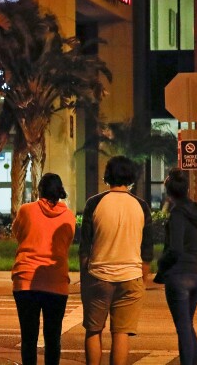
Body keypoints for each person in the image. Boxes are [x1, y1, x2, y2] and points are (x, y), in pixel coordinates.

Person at [79, 155, 153, 365]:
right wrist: (143, 278)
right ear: (131, 177)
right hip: (131, 276)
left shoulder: (94, 203)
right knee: (121, 333)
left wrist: (85, 278)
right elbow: (147, 250)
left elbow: (85, 248)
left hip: (98, 276)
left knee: (93, 330)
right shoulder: (141, 206)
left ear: (107, 176)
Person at [11, 173, 76, 365]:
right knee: (53, 337)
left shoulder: (26, 210)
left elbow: (18, 233)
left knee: (29, 337)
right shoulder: (69, 217)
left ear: (39, 190)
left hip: (26, 280)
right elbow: (67, 243)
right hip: (56, 282)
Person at [154, 168, 197, 365]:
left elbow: (175, 249)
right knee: (187, 325)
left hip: (179, 275)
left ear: (169, 193)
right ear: (186, 189)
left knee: (183, 327)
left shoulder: (177, 214)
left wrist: (161, 266)